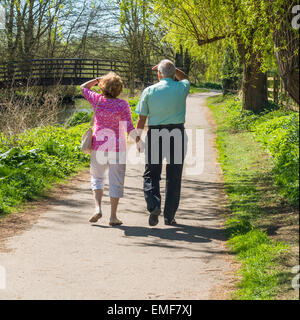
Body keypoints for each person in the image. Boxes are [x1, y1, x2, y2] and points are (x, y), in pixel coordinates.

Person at [80, 72, 143, 226]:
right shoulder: (123, 105)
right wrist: (138, 141)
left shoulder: (97, 100)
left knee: (97, 177)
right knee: (116, 181)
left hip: (98, 147)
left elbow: (83, 87)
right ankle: (113, 217)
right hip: (117, 148)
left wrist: (97, 80)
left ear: (102, 87)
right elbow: (129, 126)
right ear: (119, 89)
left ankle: (97, 208)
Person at [135, 59, 190, 226]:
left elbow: (141, 118)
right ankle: (169, 216)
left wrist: (138, 138)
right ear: (174, 75)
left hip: (156, 133)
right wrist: (173, 69)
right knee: (174, 176)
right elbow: (185, 77)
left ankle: (153, 205)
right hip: (177, 133)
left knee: (151, 173)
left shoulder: (149, 91)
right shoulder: (182, 87)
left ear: (158, 74)